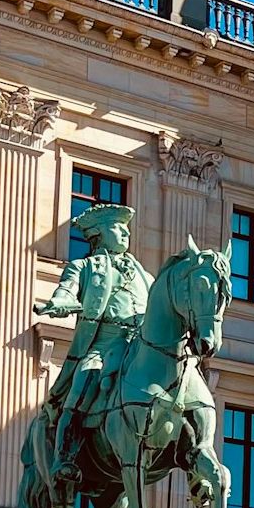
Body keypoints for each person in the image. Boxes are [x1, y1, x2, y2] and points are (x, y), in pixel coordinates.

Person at [33, 203, 152, 491]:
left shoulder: (144, 274)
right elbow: (66, 290)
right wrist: (61, 302)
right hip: (103, 343)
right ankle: (65, 457)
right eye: (117, 227)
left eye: (126, 228)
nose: (125, 233)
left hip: (137, 347)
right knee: (84, 383)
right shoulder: (83, 266)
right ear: (98, 233)